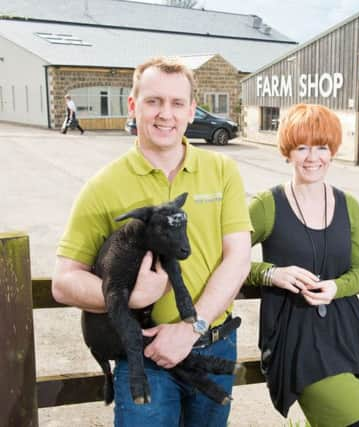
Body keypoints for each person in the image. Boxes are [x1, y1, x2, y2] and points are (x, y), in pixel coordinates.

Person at [51, 56, 252, 427]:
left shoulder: (223, 171)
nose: (166, 114)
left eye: (177, 103)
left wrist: (193, 328)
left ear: (192, 111)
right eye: (154, 101)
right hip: (143, 352)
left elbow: (238, 257)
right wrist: (131, 297)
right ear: (133, 105)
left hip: (214, 341)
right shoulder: (104, 186)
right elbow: (64, 282)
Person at [246, 104, 359, 427]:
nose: (313, 157)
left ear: (332, 151)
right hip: (298, 342)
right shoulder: (267, 205)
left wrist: (337, 287)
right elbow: (224, 258)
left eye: (322, 147)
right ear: (288, 152)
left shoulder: (348, 204)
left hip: (347, 334)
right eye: (302, 147)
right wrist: (270, 274)